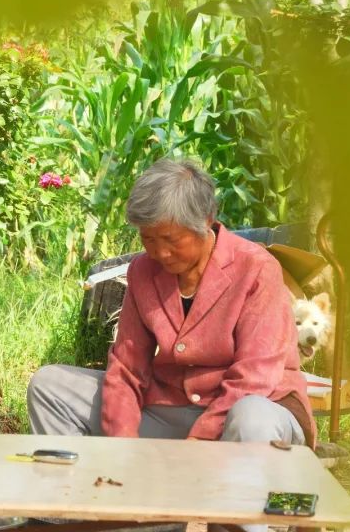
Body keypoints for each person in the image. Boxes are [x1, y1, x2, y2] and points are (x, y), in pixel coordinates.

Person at [27, 158, 314, 532]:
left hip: (252, 416)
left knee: (251, 416)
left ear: (206, 221)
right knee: (51, 385)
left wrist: (195, 449)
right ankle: (76, 516)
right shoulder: (143, 272)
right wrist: (124, 450)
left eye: (171, 240)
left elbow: (254, 378)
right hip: (171, 411)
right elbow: (127, 370)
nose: (160, 253)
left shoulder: (257, 269)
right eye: (148, 239)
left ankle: (245, 525)